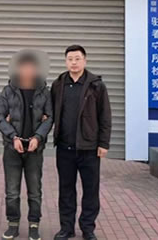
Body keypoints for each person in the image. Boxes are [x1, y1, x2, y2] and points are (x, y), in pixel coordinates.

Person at [51, 45, 112, 240]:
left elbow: (105, 116)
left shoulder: (96, 85)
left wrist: (103, 143)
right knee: (66, 190)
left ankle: (88, 228)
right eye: (70, 59)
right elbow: (49, 112)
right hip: (64, 148)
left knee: (90, 190)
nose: (74, 62)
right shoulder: (58, 84)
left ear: (84, 60)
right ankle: (66, 228)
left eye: (77, 58)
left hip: (89, 148)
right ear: (65, 62)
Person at [0, 50, 53, 240]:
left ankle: (34, 225)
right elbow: (0, 117)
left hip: (34, 149)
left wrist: (38, 137)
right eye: (24, 67)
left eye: (31, 67)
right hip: (12, 148)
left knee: (34, 191)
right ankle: (12, 224)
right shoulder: (8, 90)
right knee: (12, 191)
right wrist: (13, 137)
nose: (27, 70)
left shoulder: (44, 91)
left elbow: (49, 117)